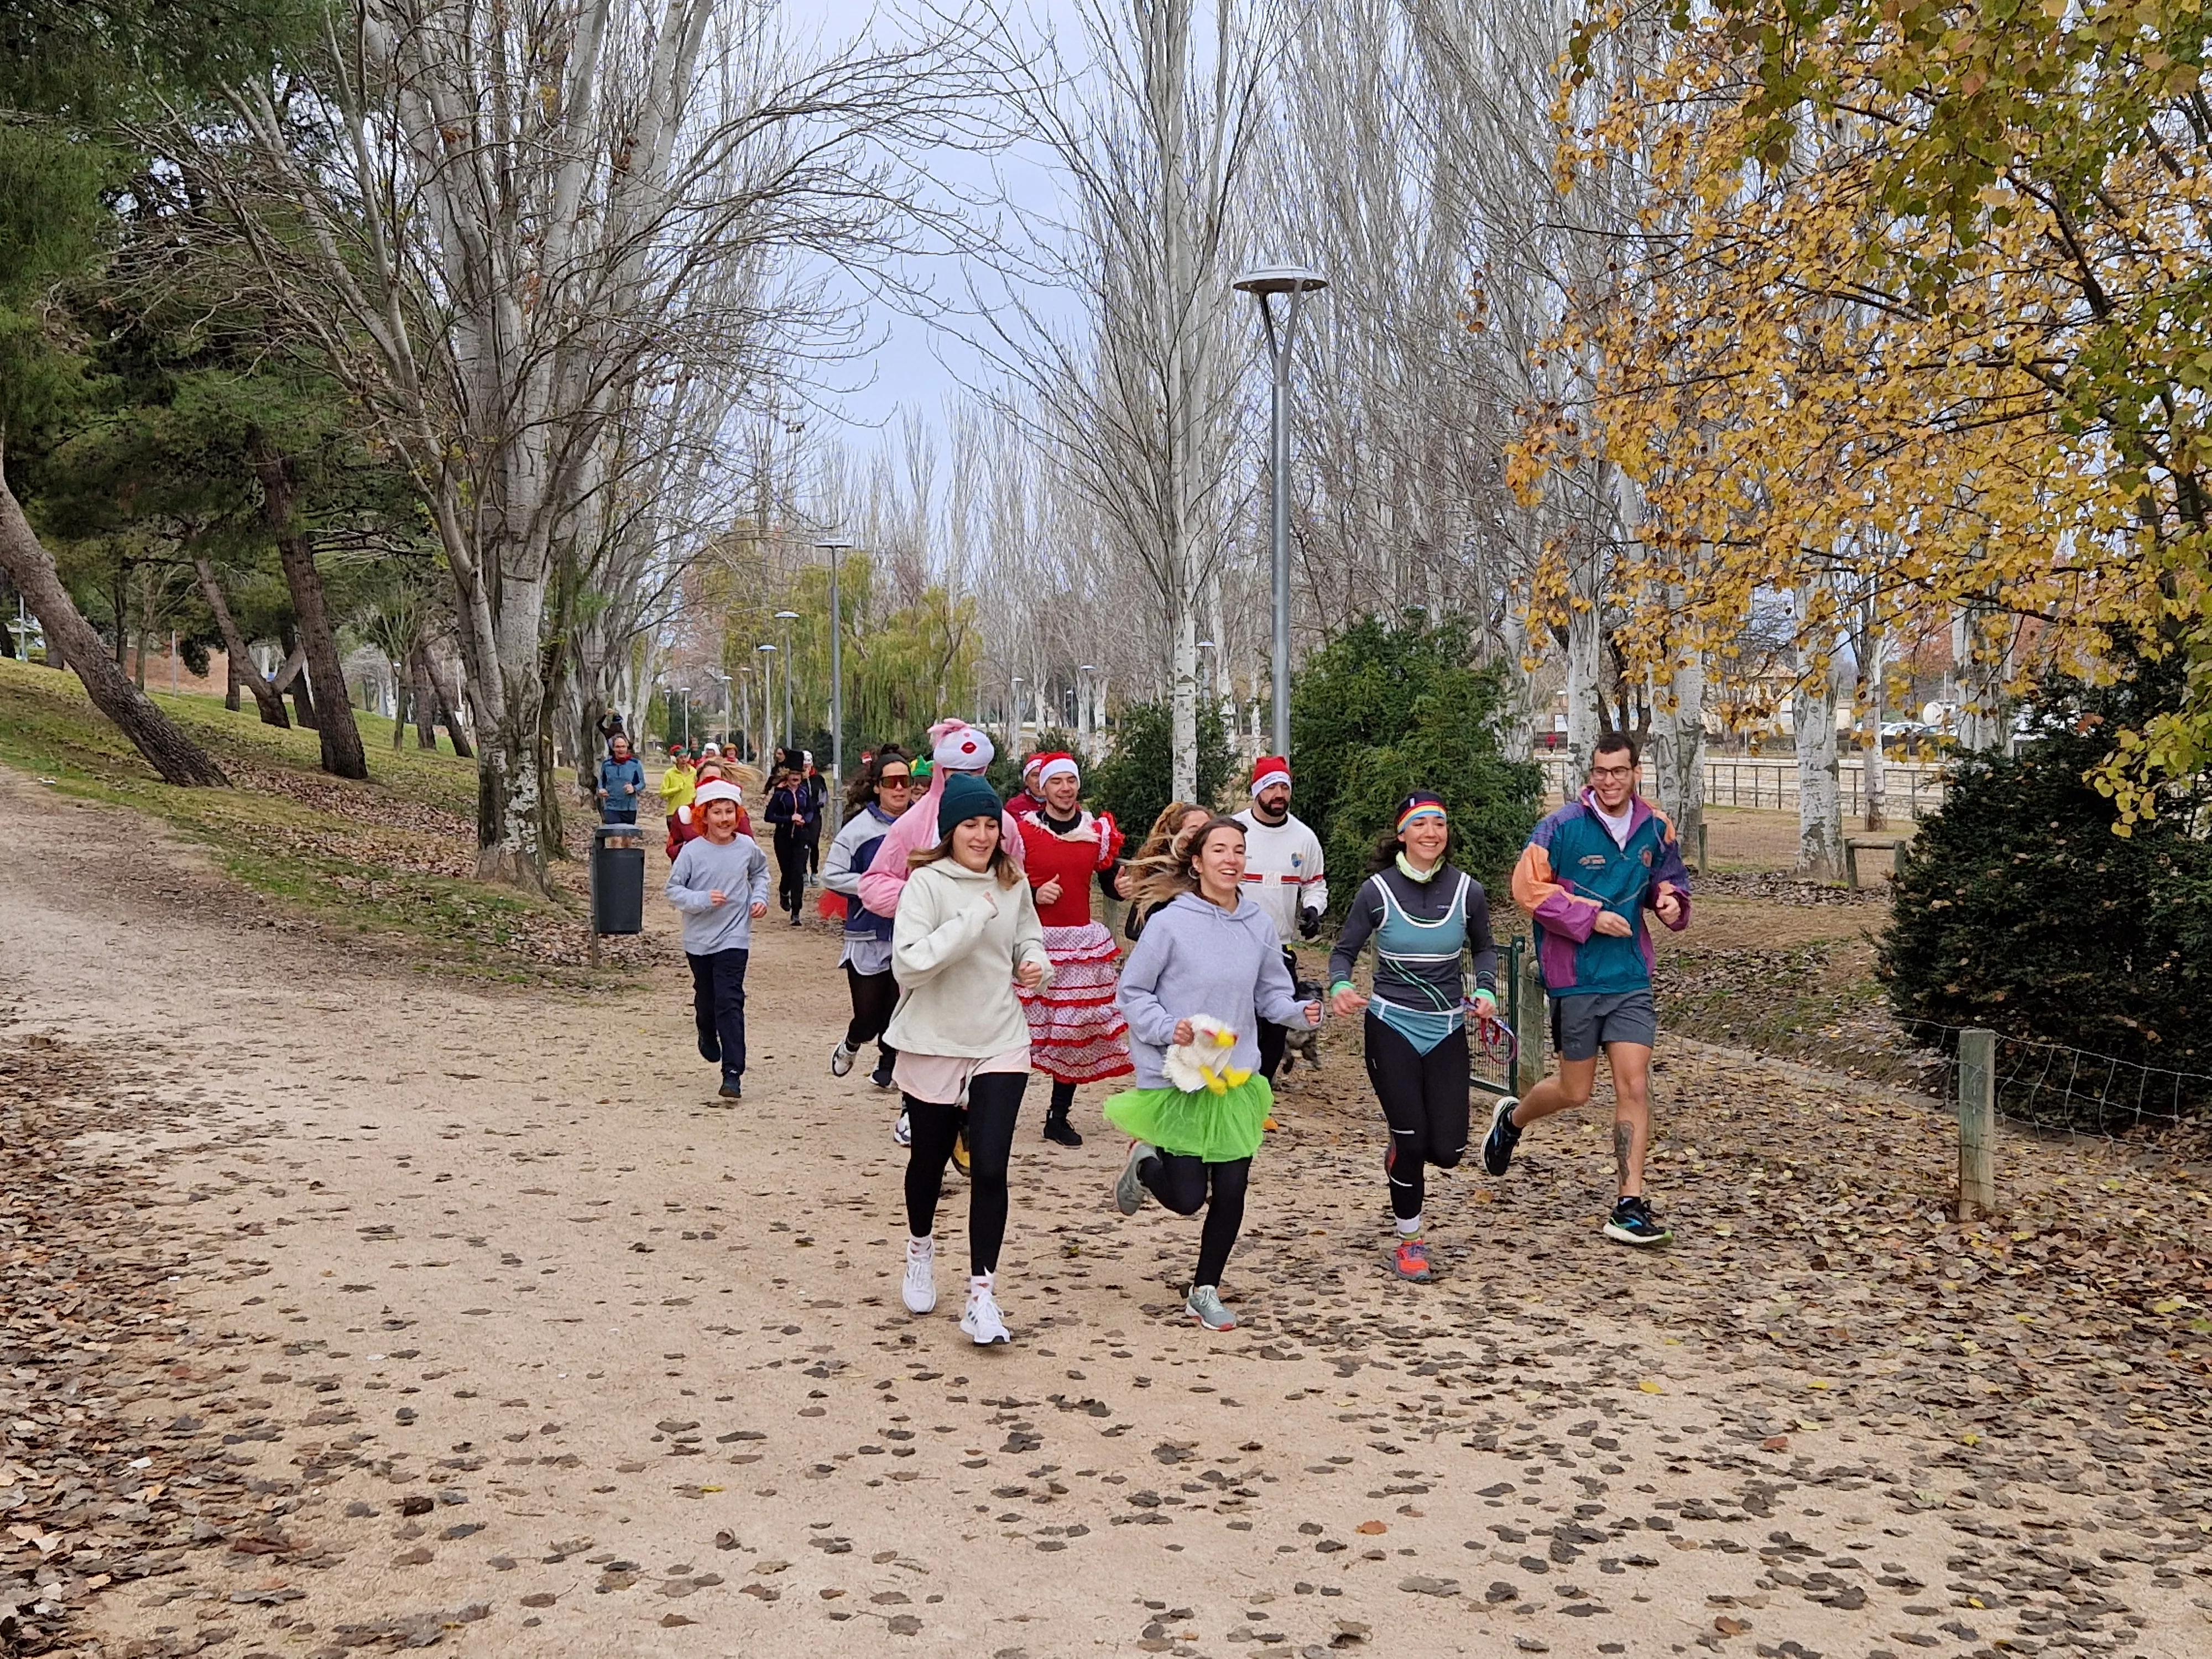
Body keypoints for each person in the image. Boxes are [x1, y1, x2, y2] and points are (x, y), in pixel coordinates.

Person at [1105, 816, 1321, 1331]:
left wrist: (1299, 1014)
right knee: (1184, 1199)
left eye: (1239, 850)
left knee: (1232, 1189)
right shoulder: (1170, 922)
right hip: (1182, 1074)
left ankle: (1205, 1290)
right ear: (1197, 862)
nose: (1231, 859)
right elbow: (1132, 993)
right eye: (1219, 850)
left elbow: (1270, 993)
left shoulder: (1258, 924)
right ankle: (1144, 1166)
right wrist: (1166, 1027)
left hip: (1235, 1075)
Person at [1485, 732, 1692, 1246]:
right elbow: (1526, 890)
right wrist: (1590, 917)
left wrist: (1670, 904)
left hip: (1630, 977)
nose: (1609, 781)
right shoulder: (1560, 828)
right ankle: (1513, 1119)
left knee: (1634, 1085)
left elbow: (1671, 882)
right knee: (1575, 1092)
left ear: (1635, 772)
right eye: (1600, 772)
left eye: (1619, 771)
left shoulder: (1656, 827)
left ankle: (1629, 1204)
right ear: (1591, 774)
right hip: (1575, 978)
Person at [884, 773, 1052, 1345]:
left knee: (991, 1166)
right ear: (949, 829)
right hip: (933, 1037)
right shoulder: (926, 885)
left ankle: (982, 1296)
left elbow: (1028, 938)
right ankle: (920, 1247)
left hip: (1000, 1036)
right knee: (928, 1162)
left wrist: (1035, 963)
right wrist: (970, 920)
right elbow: (908, 966)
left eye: (990, 825)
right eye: (970, 825)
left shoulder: (1012, 882)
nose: (981, 836)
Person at [1327, 792, 1498, 1283]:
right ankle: (1409, 1241)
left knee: (1446, 1151)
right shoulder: (1376, 892)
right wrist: (1340, 985)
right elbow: (1343, 952)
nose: (1430, 832)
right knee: (1412, 1136)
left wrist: (1485, 989)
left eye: (1438, 823)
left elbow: (1485, 949)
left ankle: (1402, 1152)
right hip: (1391, 1026)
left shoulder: (1469, 891)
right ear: (1402, 833)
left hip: (1446, 1028)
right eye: (1419, 824)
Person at [1013, 753, 1134, 1147]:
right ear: (1041, 788)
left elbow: (1110, 879)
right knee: (1016, 1031)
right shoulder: (1021, 833)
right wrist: (1033, 893)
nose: (1065, 789)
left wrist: (1123, 888)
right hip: (1031, 943)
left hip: (1079, 945)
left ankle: (1057, 1116)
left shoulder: (1096, 832)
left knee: (1073, 1034)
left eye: (1071, 781)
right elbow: (1001, 882)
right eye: (1056, 782)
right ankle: (992, 1111)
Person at [664, 779, 771, 1102]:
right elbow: (673, 891)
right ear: (703, 817)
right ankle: (706, 1031)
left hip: (735, 937)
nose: (725, 819)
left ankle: (733, 1073)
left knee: (730, 1000)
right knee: (708, 1000)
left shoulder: (747, 848)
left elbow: (760, 873)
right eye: (717, 812)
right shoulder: (692, 852)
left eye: (730, 812)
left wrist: (760, 898)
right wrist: (701, 900)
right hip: (699, 940)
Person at [823, 747, 916, 1115]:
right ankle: (852, 1042)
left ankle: (889, 1068)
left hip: (910, 935)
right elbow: (831, 874)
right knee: (869, 1018)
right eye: (891, 783)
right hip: (866, 934)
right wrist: (874, 885)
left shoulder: (921, 826)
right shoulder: (859, 829)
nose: (899, 789)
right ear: (877, 787)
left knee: (902, 1012)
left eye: (905, 782)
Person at [857, 721, 1026, 919]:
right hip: (928, 938)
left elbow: (1016, 882)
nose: (967, 780)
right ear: (941, 771)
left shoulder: (1003, 824)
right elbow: (873, 885)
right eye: (958, 773)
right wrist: (920, 897)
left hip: (991, 937)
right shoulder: (913, 823)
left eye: (975, 772)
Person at [1234, 757, 1328, 1086]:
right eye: (1271, 787)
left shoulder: (1304, 837)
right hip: (1234, 944)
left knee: (1274, 1027)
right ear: (1256, 790)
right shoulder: (1235, 830)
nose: (1279, 794)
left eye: (1284, 787)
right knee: (1238, 1022)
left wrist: (1314, 910)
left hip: (1279, 947)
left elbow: (1315, 885)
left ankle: (1259, 1092)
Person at [1122, 801, 1210, 946]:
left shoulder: (1219, 877)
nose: (1204, 836)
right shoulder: (1163, 878)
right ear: (1179, 840)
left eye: (1208, 829)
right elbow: (1135, 929)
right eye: (1195, 830)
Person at [764, 765, 815, 925]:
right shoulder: (780, 794)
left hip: (801, 837)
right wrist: (789, 819)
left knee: (798, 873)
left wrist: (805, 820)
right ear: (787, 776)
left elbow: (810, 810)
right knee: (787, 872)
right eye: (793, 774)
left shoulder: (804, 792)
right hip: (783, 837)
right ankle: (784, 892)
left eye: (798, 774)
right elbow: (769, 816)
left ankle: (796, 912)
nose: (796, 777)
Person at [659, 743, 698, 859]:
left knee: (692, 841)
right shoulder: (669, 774)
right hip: (673, 814)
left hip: (692, 813)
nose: (683, 760)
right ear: (675, 759)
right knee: (676, 844)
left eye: (685, 757)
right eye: (680, 757)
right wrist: (677, 789)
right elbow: (663, 792)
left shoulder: (694, 772)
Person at [596, 734, 645, 825]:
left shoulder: (635, 764)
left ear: (627, 748)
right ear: (613, 748)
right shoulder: (607, 765)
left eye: (623, 747)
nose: (621, 750)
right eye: (618, 747)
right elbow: (601, 782)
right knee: (616, 837)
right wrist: (601, 790)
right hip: (611, 807)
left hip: (629, 808)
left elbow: (642, 783)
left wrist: (634, 788)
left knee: (627, 837)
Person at [801, 753, 830, 878]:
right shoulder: (797, 779)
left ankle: (814, 872)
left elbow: (824, 792)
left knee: (814, 843)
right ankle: (803, 872)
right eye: (804, 762)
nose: (807, 764)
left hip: (815, 814)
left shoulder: (818, 778)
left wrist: (822, 802)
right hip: (801, 815)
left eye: (809, 761)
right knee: (803, 844)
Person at [1004, 753, 1047, 822]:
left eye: (1044, 775)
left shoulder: (1060, 803)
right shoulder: (1013, 806)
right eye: (1035, 775)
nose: (1040, 780)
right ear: (1026, 781)